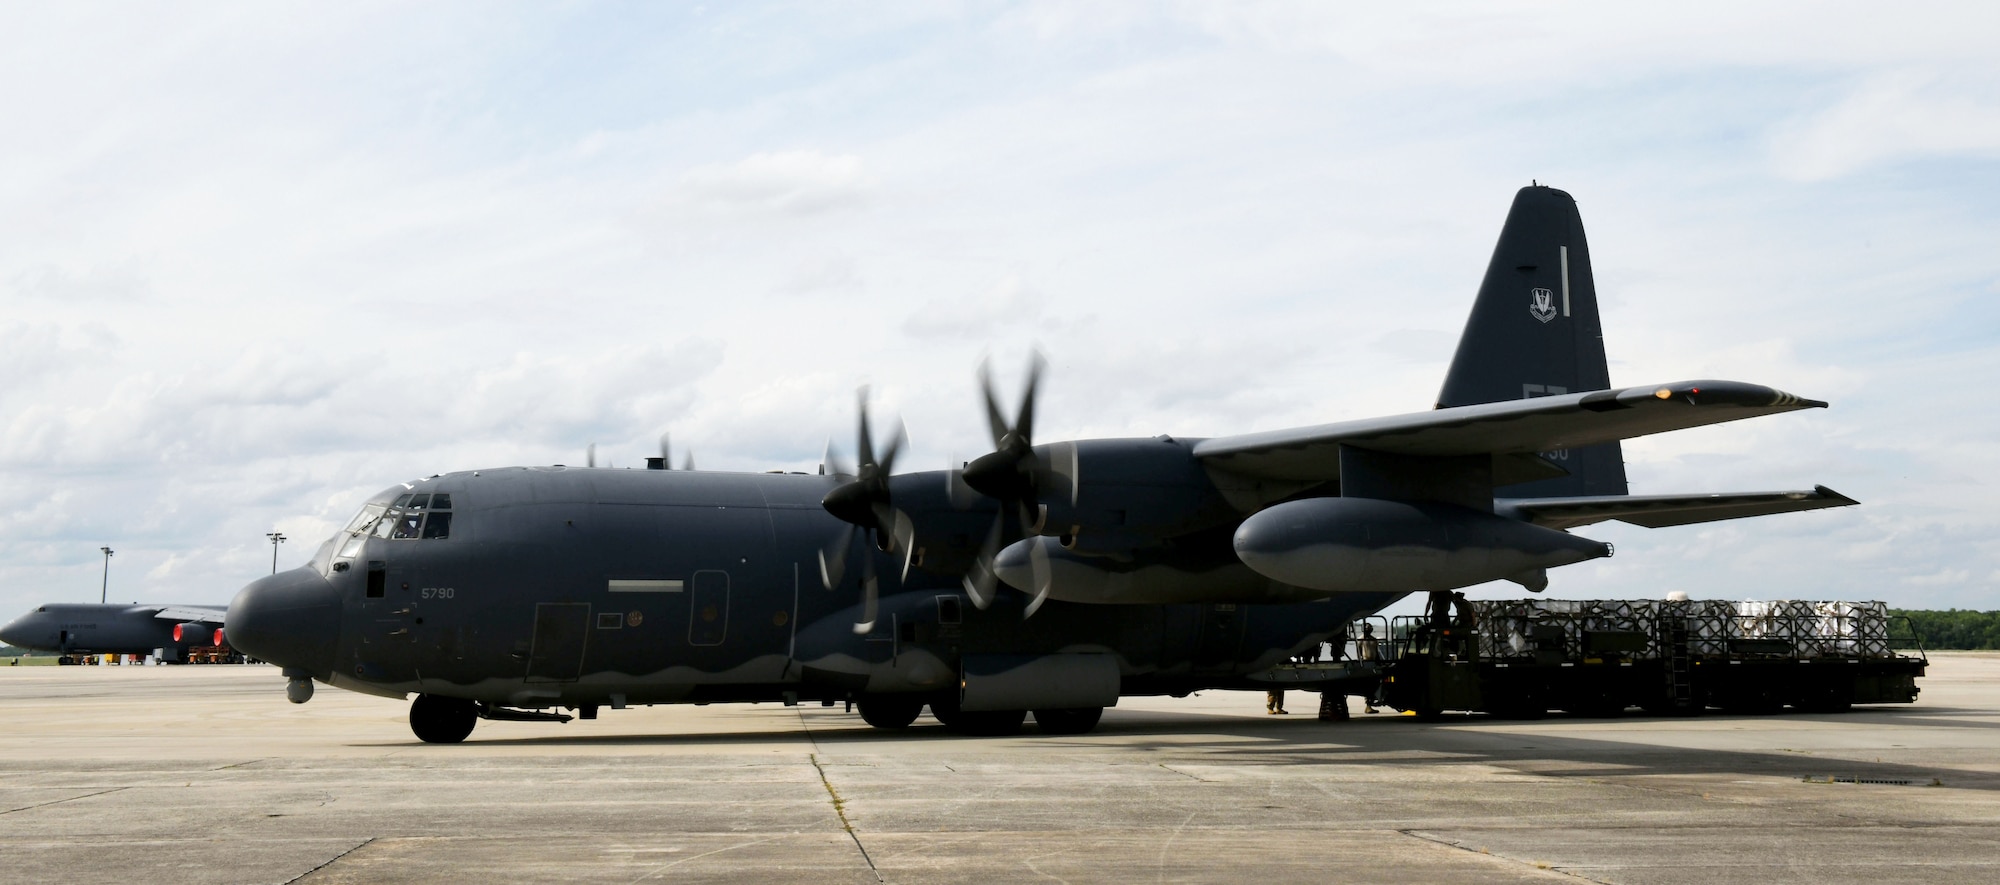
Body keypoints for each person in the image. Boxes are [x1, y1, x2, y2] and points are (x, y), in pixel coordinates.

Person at [1357, 624, 1381, 713]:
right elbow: (1358, 651)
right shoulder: (1361, 639)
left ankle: (1371, 702)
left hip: (1373, 663)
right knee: (1368, 685)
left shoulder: (1374, 640)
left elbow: (1376, 652)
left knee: (1374, 684)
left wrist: (1379, 663)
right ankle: (1368, 705)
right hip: (1366, 663)